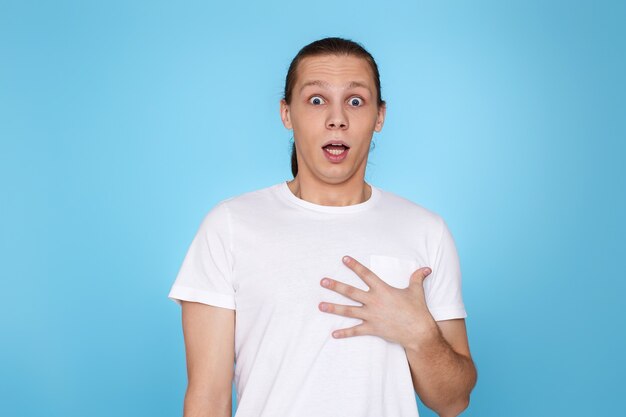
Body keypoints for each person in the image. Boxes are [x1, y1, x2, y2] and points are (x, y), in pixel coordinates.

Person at [168, 37, 477, 417]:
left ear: (379, 117)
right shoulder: (229, 226)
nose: (337, 118)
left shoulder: (426, 230)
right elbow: (207, 399)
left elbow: (454, 401)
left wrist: (420, 333)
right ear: (286, 113)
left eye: (355, 100)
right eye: (316, 100)